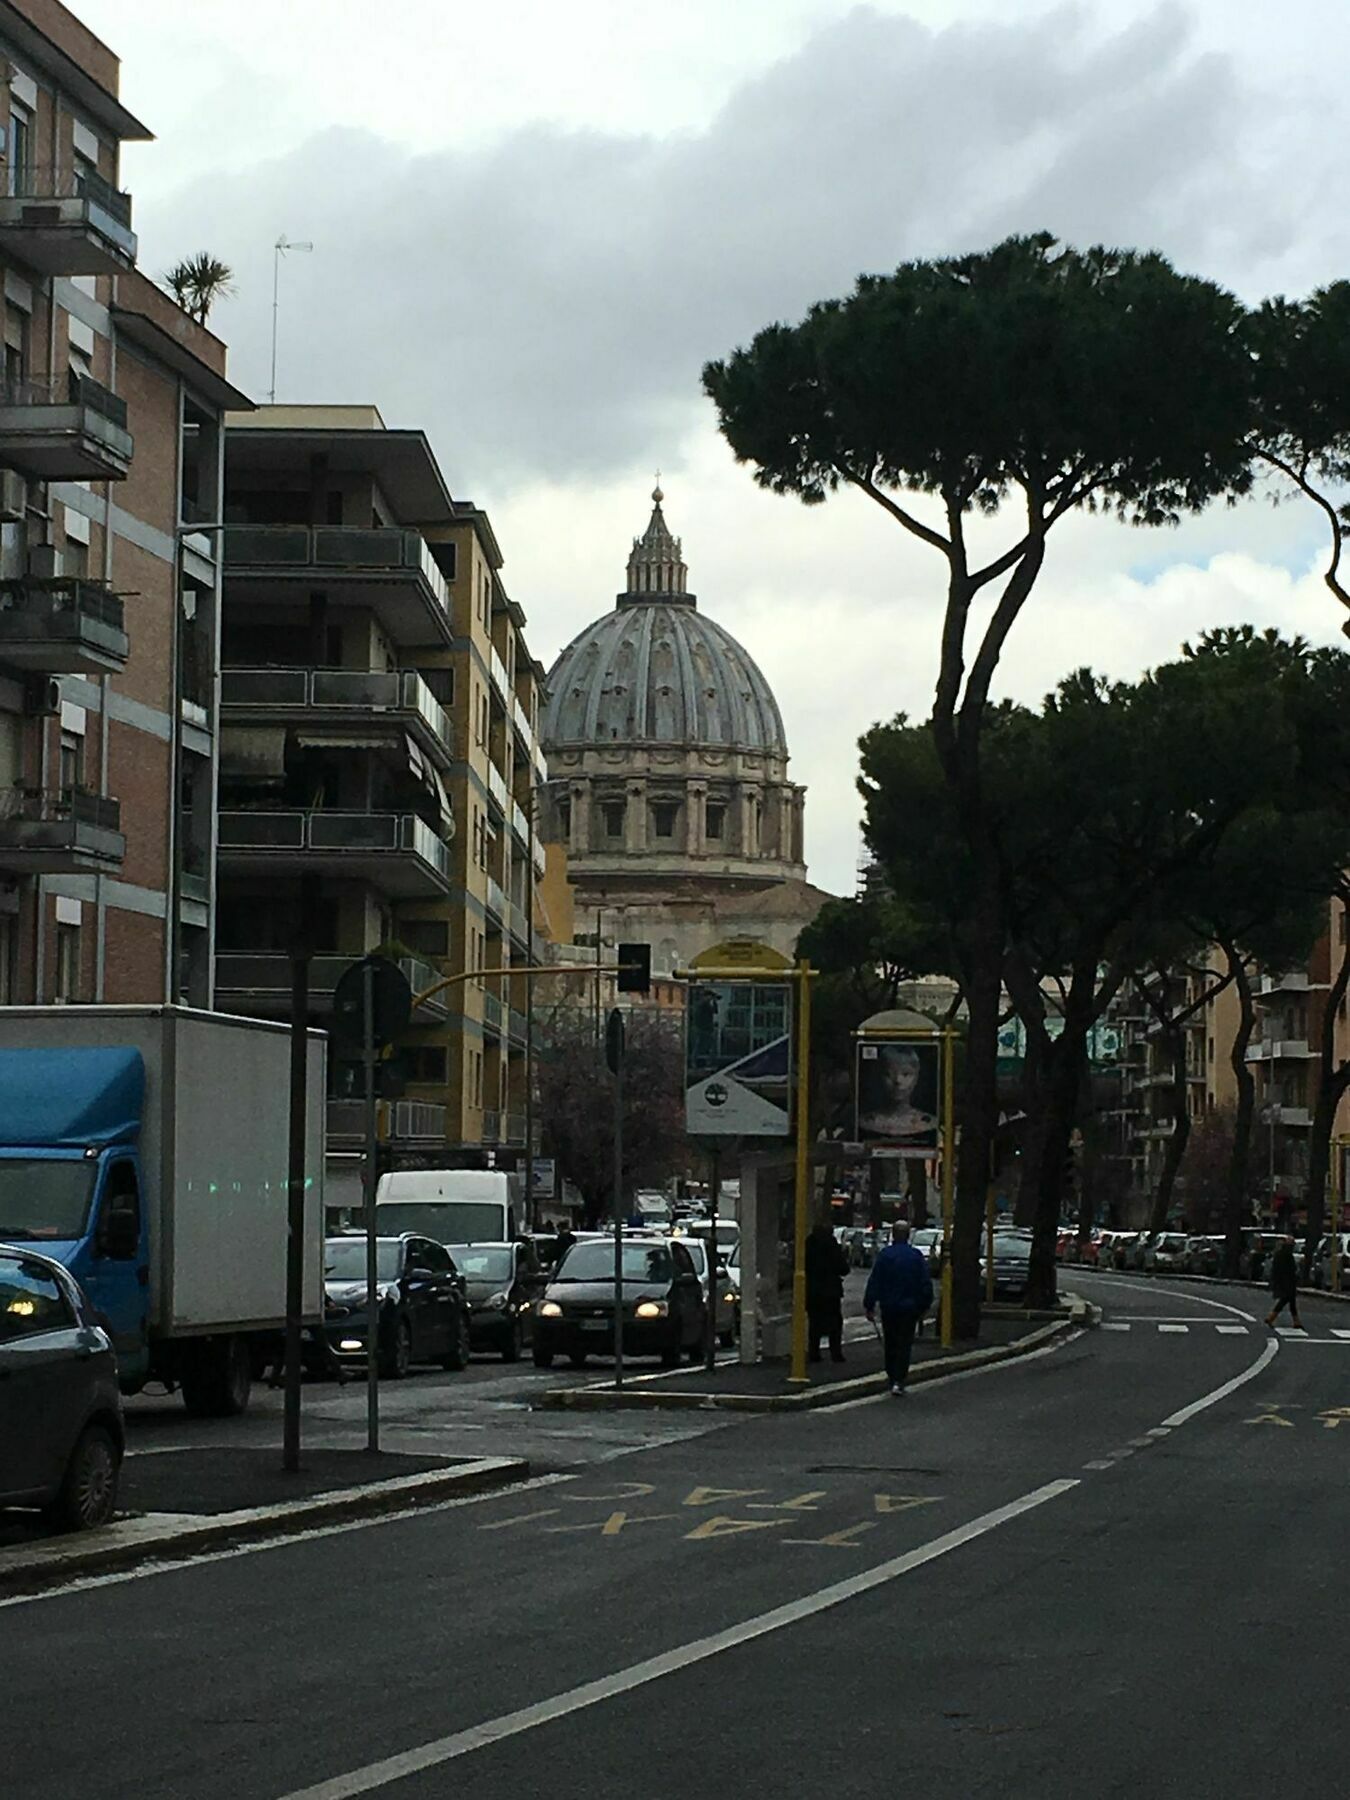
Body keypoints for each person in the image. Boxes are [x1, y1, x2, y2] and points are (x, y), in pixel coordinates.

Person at [864, 1219, 934, 1396]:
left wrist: (869, 1305)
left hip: (889, 1306)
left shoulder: (885, 1256)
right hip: (909, 1308)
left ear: (893, 1235)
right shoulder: (916, 1256)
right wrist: (924, 1306)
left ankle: (891, 1374)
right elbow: (925, 1283)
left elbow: (875, 1281)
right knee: (904, 1343)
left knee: (891, 1342)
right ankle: (899, 1379)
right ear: (908, 1235)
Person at [804, 1214, 850, 1363]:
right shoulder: (831, 1244)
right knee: (835, 1323)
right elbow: (843, 1267)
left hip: (812, 1289)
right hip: (830, 1290)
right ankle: (835, 1353)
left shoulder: (808, 1244)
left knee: (814, 1322)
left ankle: (814, 1352)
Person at [1266, 1233, 1302, 1331]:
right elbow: (1291, 1268)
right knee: (1287, 1300)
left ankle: (1295, 1321)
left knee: (1288, 1301)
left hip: (1283, 1281)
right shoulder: (1287, 1255)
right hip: (1288, 1281)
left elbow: (1275, 1269)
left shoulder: (1279, 1254)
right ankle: (1272, 1317)